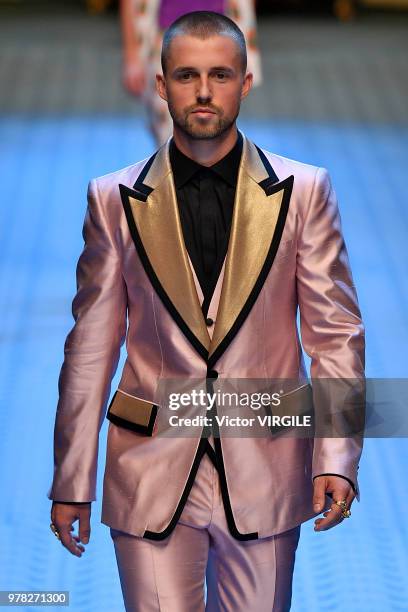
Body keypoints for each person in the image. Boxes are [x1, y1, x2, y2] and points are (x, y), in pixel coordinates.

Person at [48, 11, 365, 611]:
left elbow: (336, 334)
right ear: (161, 85)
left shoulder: (304, 192)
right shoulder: (113, 199)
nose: (202, 91)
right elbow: (89, 348)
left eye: (220, 75)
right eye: (187, 75)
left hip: (267, 465)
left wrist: (337, 456)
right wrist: (71, 479)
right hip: (147, 467)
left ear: (246, 82)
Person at [120, 0, 262, 145]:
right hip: (165, 42)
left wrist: (242, 47)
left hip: (220, 42)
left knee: (216, 128)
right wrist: (132, 56)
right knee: (169, 133)